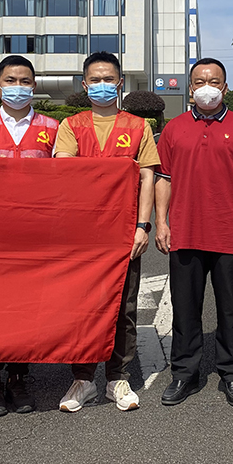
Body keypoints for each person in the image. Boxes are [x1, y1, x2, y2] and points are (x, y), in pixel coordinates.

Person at [53, 52, 159, 413]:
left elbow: (148, 177)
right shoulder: (71, 126)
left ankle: (117, 377)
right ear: (85, 85)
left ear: (119, 83)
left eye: (108, 79)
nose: (102, 85)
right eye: (95, 79)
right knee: (81, 306)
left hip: (125, 229)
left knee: (124, 306)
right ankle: (83, 378)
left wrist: (144, 226)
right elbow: (66, 174)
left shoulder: (138, 127)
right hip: (82, 233)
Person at [155, 58, 233, 407]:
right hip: (184, 232)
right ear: (190, 88)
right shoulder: (174, 129)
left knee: (232, 308)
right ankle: (184, 374)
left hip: (228, 231)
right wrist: (161, 221)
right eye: (200, 81)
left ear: (225, 87)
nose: (207, 87)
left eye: (214, 81)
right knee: (185, 309)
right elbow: (163, 179)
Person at [0, 54, 59, 417]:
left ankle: (19, 377)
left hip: (34, 235)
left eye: (25, 81)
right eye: (11, 80)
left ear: (34, 86)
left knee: (26, 309)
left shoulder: (52, 128)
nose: (18, 87)